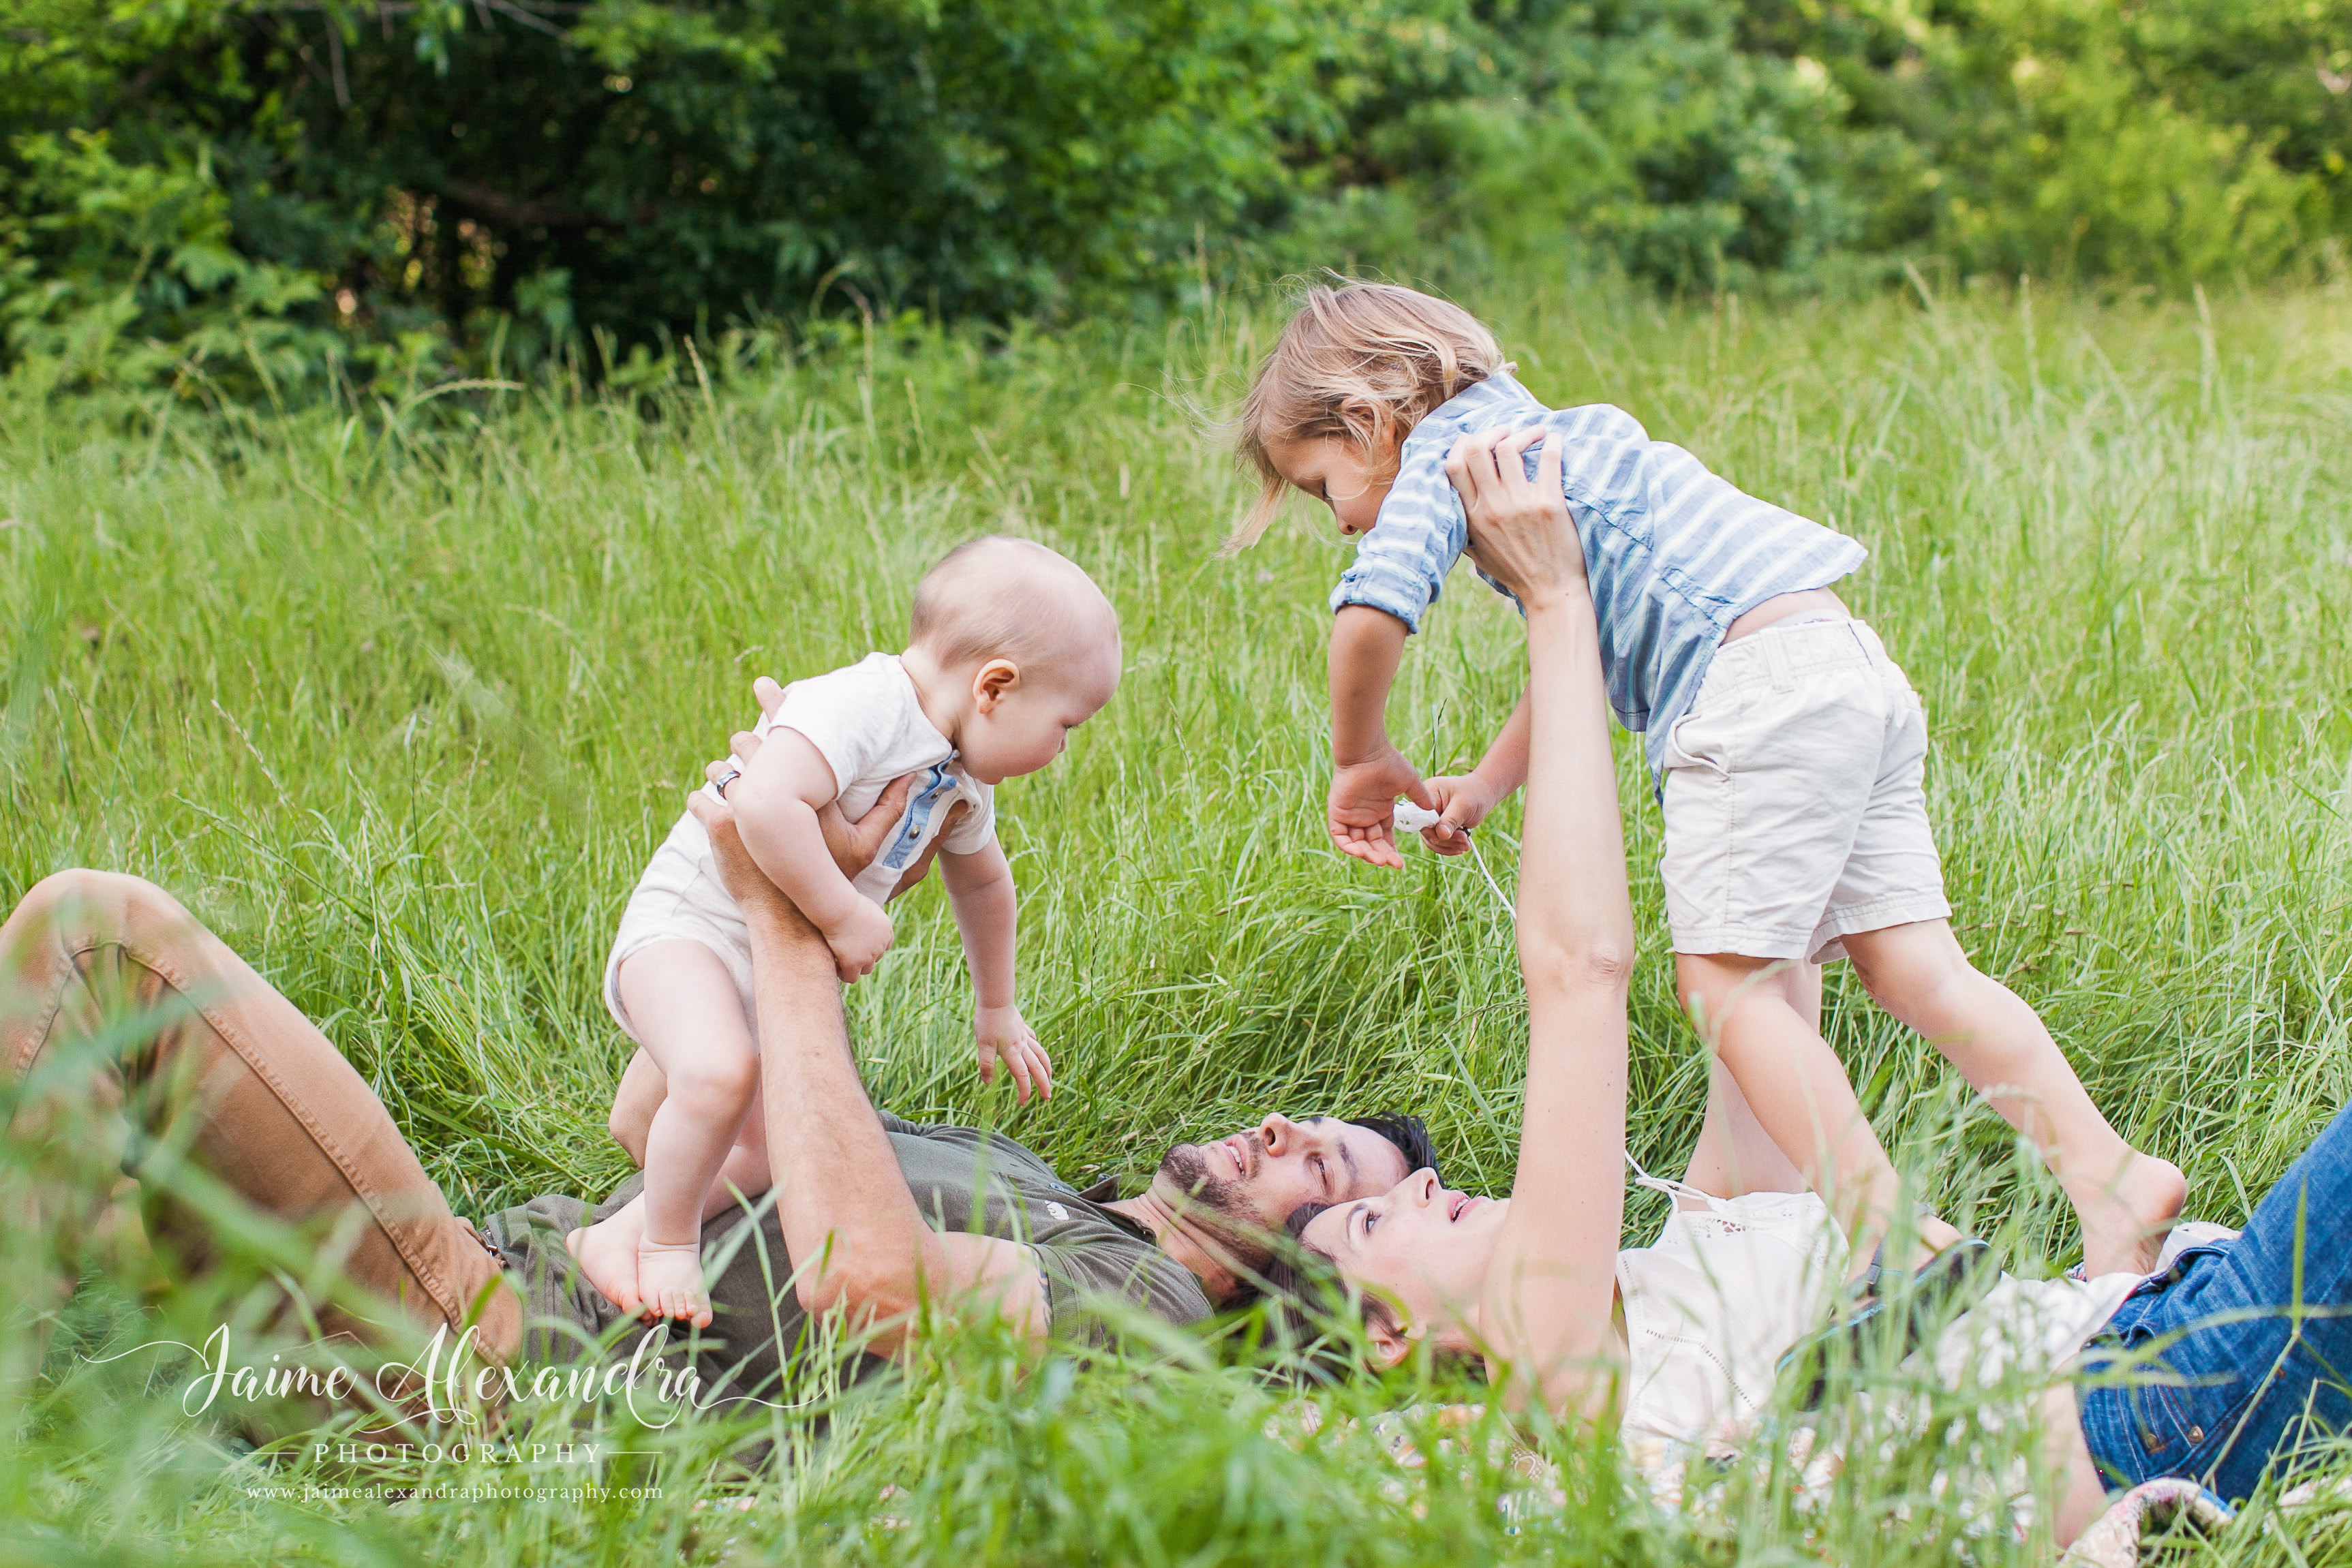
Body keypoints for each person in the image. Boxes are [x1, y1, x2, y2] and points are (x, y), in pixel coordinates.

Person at [1271, 416, 2352, 1544]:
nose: (1414, 1187)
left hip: (2168, 1316)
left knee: (1768, 978)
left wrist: (1736, 704)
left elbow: (1767, 983)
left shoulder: (1705, 1235)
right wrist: (1555, 599)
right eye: (1366, 1225)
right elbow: (1578, 969)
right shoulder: (1554, 1376)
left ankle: (2109, 1178)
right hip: (2156, 1403)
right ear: (1390, 1339)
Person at [0, 753, 1433, 1421]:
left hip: (480, 1352)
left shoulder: (1152, 1309)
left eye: (1329, 1176)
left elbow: (868, 1279)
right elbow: (648, 1124)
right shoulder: (1041, 1186)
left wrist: (793, 932)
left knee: (103, 936)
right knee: (69, 1122)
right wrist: (798, 868)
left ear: (1305, 1281)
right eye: (1311, 1123)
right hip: (490, 1258)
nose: (1287, 1131)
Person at [1227, 279, 2183, 1280]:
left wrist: (1359, 756)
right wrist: (1488, 786)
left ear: (1369, 421)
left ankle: (1883, 1232)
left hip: (1749, 694)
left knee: (1725, 990)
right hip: (1835, 655)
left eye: (1320, 486)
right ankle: (2106, 1173)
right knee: (1916, 970)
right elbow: (1582, 647)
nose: (1337, 522)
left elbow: (1367, 614)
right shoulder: (1553, 438)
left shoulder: (1446, 459)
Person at [575, 536, 1122, 1329]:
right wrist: (840, 912)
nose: (1062, 749)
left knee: (763, 1152)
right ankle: (663, 1244)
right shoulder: (865, 705)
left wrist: (995, 1006)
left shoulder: (956, 774)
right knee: (722, 1073)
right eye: (1066, 725)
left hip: (755, 959)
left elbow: (984, 882)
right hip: (691, 927)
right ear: (994, 687)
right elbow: (761, 804)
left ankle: (622, 1228)